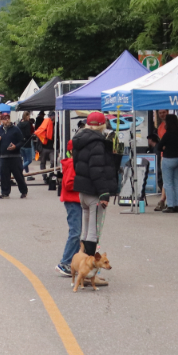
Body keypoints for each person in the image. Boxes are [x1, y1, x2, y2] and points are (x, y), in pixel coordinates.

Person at [70, 112, 118, 267]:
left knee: (85, 231)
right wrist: (104, 192)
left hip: (83, 191)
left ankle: (81, 265)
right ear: (103, 125)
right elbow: (97, 170)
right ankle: (89, 269)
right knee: (93, 233)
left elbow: (79, 165)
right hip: (94, 192)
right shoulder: (98, 143)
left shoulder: (80, 140)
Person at [56, 149, 84, 277]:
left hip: (73, 201)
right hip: (73, 201)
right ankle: (65, 262)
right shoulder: (73, 164)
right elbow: (68, 184)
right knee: (75, 232)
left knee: (75, 232)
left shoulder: (72, 163)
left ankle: (72, 261)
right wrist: (84, 185)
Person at [0, 112, 28, 199]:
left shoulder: (15, 129)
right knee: (4, 176)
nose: (7, 120)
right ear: (1, 120)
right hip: (4, 157)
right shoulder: (0, 130)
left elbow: (22, 141)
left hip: (15, 156)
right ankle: (5, 192)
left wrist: (15, 146)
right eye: (4, 119)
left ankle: (23, 191)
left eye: (8, 118)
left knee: (18, 175)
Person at [157, 115, 178, 213]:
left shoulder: (167, 134)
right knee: (177, 182)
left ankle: (171, 205)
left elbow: (159, 146)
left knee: (167, 183)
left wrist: (164, 148)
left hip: (168, 159)